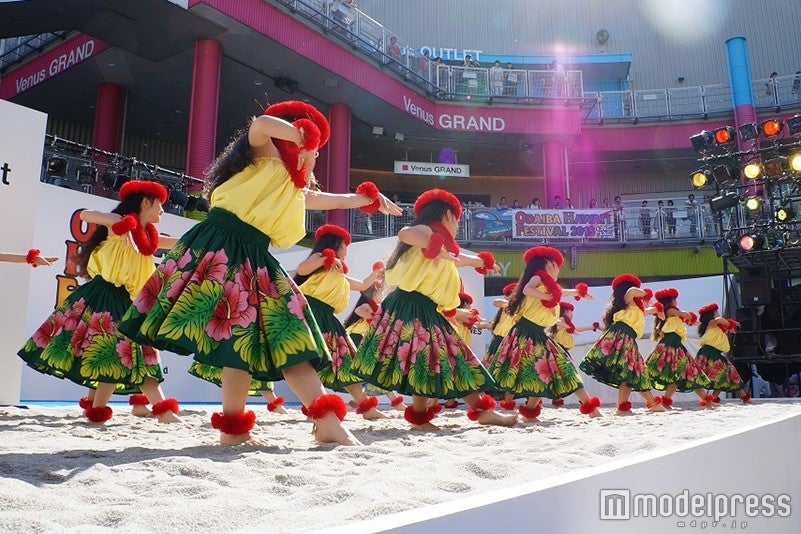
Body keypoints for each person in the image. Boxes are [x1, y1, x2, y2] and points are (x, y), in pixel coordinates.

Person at [119, 100, 401, 446]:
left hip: (254, 252)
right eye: (315, 148)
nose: (315, 156)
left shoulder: (293, 186)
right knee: (278, 333)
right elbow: (264, 123)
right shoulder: (261, 150)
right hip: (222, 242)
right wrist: (305, 139)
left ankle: (247, 429)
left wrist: (368, 199)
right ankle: (317, 422)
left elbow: (333, 200)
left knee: (270, 335)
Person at [351, 189, 517, 430]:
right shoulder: (428, 231)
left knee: (441, 357)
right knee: (443, 356)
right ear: (448, 214)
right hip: (410, 304)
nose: (458, 225)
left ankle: (469, 411)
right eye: (458, 219)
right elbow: (405, 233)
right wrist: (431, 243)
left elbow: (456, 259)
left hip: (422, 306)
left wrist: (480, 262)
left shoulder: (445, 245)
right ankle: (477, 411)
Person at [19, 181, 181, 424]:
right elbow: (86, 214)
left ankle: (106, 407)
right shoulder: (119, 223)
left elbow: (179, 242)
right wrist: (121, 223)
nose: (163, 211)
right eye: (160, 204)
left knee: (127, 351)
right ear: (146, 202)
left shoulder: (149, 237)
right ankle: (158, 412)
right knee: (116, 351)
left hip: (123, 298)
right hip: (104, 294)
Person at [485, 246, 601, 421]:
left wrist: (577, 293)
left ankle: (533, 411)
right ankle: (589, 409)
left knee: (557, 368)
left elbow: (560, 292)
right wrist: (548, 297)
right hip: (525, 333)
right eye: (555, 265)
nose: (558, 269)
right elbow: (527, 290)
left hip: (538, 333)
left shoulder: (549, 286)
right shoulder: (538, 278)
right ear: (546, 264)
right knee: (540, 370)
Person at [294, 224, 389, 419]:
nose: (346, 251)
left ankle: (368, 408)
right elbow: (302, 270)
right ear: (335, 245)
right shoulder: (319, 259)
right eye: (345, 246)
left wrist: (377, 273)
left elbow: (362, 285)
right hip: (310, 314)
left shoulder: (340, 274)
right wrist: (327, 259)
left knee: (345, 363)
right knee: (304, 363)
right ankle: (313, 404)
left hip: (328, 319)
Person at [579, 273, 667, 414]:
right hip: (621, 336)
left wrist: (656, 307)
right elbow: (633, 292)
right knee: (634, 370)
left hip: (627, 338)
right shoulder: (628, 299)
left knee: (630, 371)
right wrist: (646, 294)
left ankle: (623, 406)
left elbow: (657, 313)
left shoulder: (637, 308)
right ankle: (652, 404)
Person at [343, 278, 405, 411]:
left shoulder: (378, 306)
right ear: (372, 293)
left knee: (370, 373)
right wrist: (372, 318)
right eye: (379, 291)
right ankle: (395, 402)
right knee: (375, 370)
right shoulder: (369, 305)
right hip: (357, 340)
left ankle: (358, 399)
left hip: (362, 340)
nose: (381, 294)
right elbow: (359, 310)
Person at [645, 288, 713, 408]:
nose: (676, 301)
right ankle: (663, 401)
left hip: (676, 345)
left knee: (689, 372)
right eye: (675, 299)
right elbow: (679, 313)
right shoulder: (670, 311)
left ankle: (706, 400)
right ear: (670, 301)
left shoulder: (673, 314)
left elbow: (683, 318)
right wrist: (685, 315)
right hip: (670, 345)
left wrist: (692, 321)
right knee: (684, 372)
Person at [695, 303, 752, 404]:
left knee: (729, 374)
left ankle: (744, 397)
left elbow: (722, 323)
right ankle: (712, 400)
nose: (718, 313)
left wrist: (730, 326)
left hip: (715, 354)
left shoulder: (717, 327)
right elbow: (720, 320)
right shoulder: (711, 323)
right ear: (711, 314)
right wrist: (731, 323)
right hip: (709, 353)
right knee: (723, 375)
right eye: (716, 312)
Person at [548, 301, 600, 406]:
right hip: (559, 350)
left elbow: (575, 329)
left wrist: (591, 327)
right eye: (570, 312)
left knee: (557, 374)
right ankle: (585, 401)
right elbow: (556, 320)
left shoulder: (567, 323)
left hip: (562, 351)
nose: (572, 314)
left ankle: (557, 399)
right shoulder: (562, 319)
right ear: (564, 312)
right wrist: (568, 327)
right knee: (569, 374)